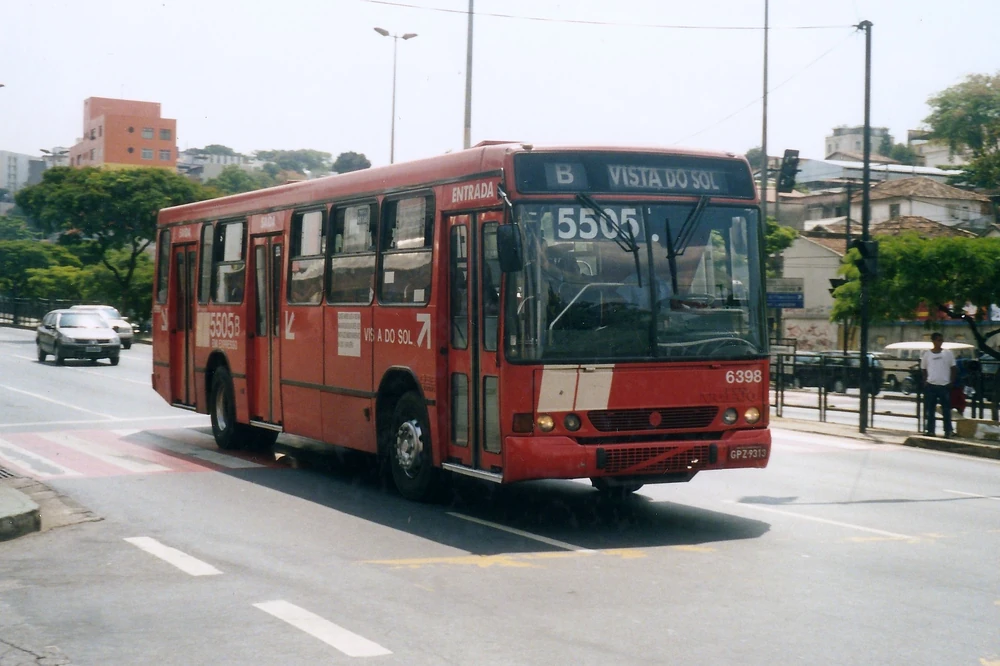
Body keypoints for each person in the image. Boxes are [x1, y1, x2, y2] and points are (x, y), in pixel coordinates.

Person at [921, 332, 957, 438]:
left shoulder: (948, 353)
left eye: (941, 340)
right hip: (931, 385)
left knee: (946, 410)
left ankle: (948, 431)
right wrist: (925, 381)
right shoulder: (927, 354)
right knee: (930, 410)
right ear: (933, 341)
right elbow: (923, 368)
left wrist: (951, 382)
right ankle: (930, 430)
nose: (940, 342)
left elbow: (953, 368)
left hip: (944, 385)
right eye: (938, 340)